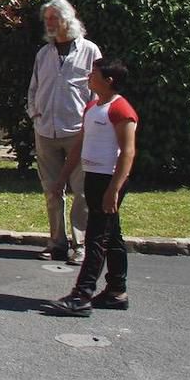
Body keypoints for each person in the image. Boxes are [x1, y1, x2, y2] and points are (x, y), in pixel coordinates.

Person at [44, 57, 138, 317]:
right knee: (112, 236)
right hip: (93, 177)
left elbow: (128, 153)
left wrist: (114, 189)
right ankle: (116, 291)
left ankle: (81, 296)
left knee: (96, 237)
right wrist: (62, 177)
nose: (89, 75)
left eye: (94, 73)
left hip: (109, 180)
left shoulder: (121, 110)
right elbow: (79, 146)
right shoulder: (93, 107)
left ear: (108, 80)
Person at [27, 0, 102, 265]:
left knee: (81, 191)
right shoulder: (43, 53)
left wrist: (91, 122)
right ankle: (56, 242)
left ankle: (79, 244)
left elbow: (98, 90)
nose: (49, 24)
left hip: (78, 131)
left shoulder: (90, 51)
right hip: (46, 130)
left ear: (68, 19)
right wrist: (35, 113)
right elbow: (34, 87)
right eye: (46, 19)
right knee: (51, 189)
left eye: (53, 18)